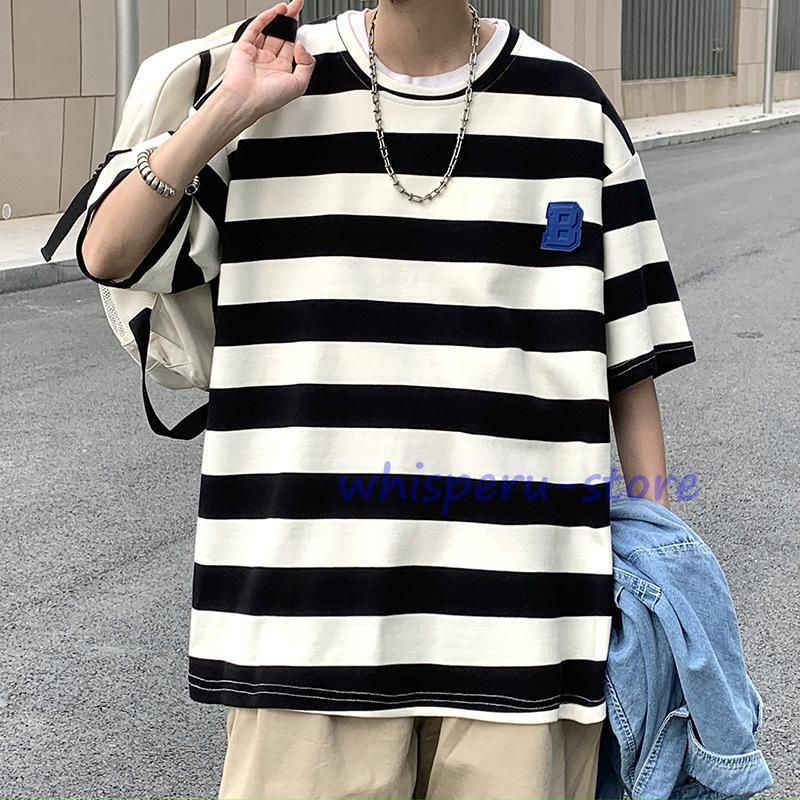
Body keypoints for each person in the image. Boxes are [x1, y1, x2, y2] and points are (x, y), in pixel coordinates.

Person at [79, 0, 696, 797]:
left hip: (527, 628)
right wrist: (226, 110)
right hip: (302, 625)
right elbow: (110, 251)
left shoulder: (574, 109)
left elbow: (630, 365)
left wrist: (659, 568)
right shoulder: (269, 86)